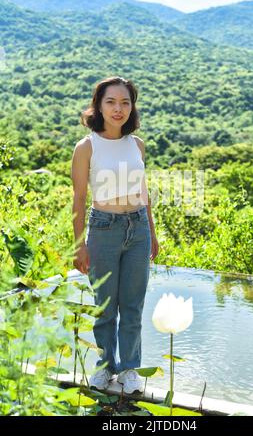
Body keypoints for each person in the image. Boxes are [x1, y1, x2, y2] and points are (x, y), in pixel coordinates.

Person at [71, 76, 159, 394]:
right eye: (111, 102)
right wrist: (79, 246)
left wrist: (152, 231)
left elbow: (143, 192)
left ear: (132, 106)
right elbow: (78, 200)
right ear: (99, 105)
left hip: (137, 230)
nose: (118, 108)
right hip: (103, 230)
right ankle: (104, 367)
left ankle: (129, 370)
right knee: (104, 306)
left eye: (125, 102)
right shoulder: (86, 147)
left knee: (133, 305)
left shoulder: (137, 145)